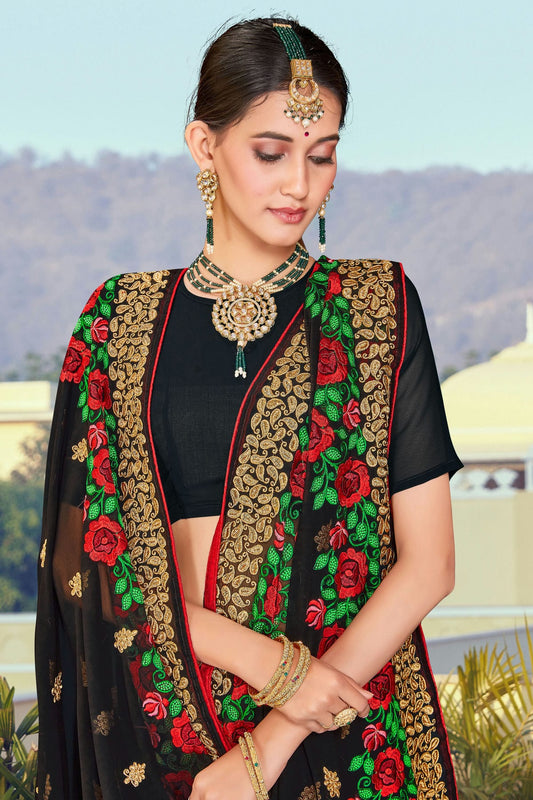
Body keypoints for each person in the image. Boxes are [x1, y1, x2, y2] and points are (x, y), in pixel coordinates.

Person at [35, 16, 462, 800]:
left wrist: (273, 738)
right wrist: (269, 666)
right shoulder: (117, 321)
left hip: (340, 719)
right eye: (270, 152)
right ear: (204, 145)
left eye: (321, 154)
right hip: (162, 719)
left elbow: (429, 563)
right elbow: (87, 565)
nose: (299, 183)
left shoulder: (375, 307)